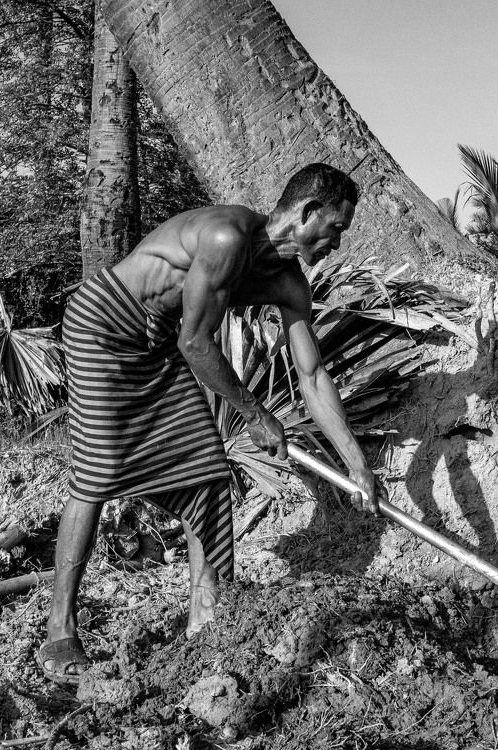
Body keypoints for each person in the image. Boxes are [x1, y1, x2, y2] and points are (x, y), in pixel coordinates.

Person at [37, 163, 383, 685]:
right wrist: (256, 414)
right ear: (308, 212)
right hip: (104, 324)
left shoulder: (291, 284)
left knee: (208, 474)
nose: (337, 243)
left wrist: (356, 465)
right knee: (99, 471)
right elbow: (196, 342)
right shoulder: (227, 236)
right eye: (335, 228)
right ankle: (59, 632)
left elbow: (312, 376)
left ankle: (206, 621)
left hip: (158, 341)